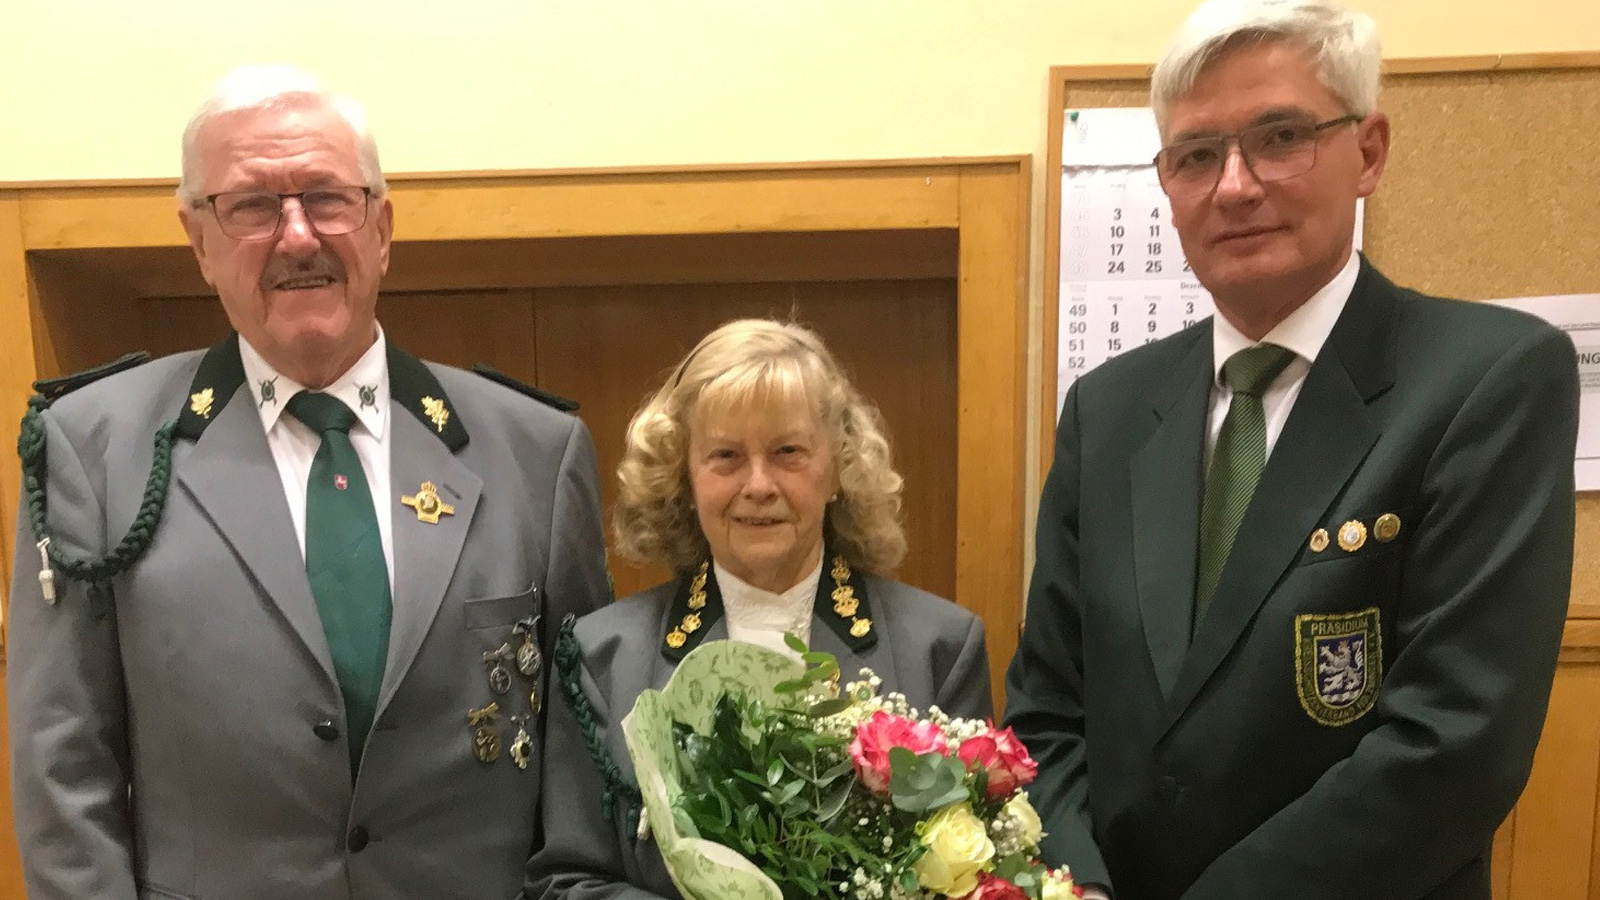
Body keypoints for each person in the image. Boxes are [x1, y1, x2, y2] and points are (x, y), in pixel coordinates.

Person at [1005, 2, 1580, 898]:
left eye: (1281, 136)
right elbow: (1047, 720)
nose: (1234, 185)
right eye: (1196, 154)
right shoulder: (1108, 411)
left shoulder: (1487, 381)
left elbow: (1454, 745)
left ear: (1371, 152)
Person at [8, 65, 609, 900]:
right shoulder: (97, 451)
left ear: (382, 226)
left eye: (328, 197)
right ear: (199, 240)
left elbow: (584, 766)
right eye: (253, 205)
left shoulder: (535, 454)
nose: (298, 237)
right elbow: (63, 768)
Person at [523, 318, 992, 899]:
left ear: (838, 466)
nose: (759, 484)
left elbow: (974, 879)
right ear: (684, 476)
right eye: (725, 456)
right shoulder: (599, 659)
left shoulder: (941, 649)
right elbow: (565, 884)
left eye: (788, 452)